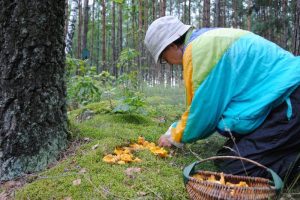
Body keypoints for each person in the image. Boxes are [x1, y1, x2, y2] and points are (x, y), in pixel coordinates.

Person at [144, 16, 300, 182]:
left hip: (290, 100)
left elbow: (203, 114)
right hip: (279, 101)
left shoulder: (199, 51)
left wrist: (174, 136)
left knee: (235, 171)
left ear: (172, 45)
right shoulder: (207, 40)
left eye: (163, 57)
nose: (167, 63)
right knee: (226, 156)